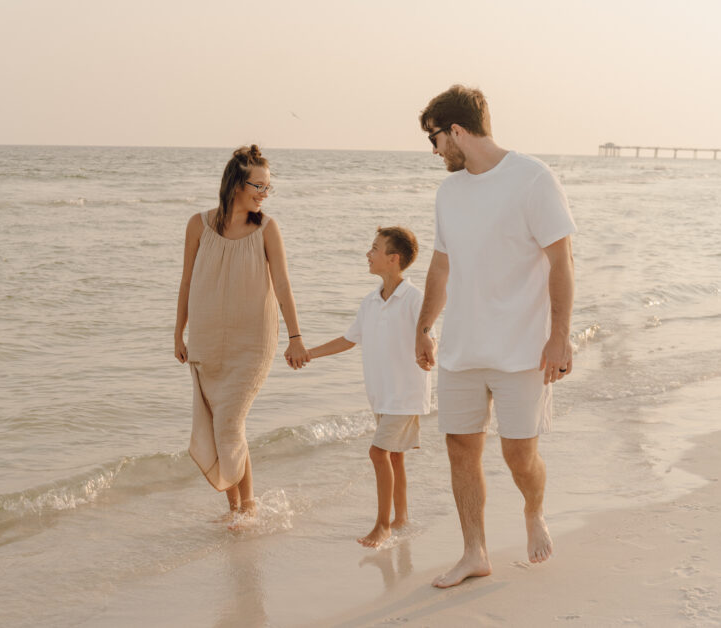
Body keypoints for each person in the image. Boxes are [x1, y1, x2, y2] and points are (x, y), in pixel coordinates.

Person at [414, 85, 576, 587]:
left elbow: (560, 260)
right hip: (462, 349)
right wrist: (423, 326)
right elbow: (441, 266)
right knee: (461, 447)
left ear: (457, 131)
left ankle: (533, 509)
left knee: (517, 455)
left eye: (435, 139)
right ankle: (474, 552)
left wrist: (560, 335)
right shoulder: (449, 192)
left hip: (521, 348)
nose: (435, 150)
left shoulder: (531, 179)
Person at [174, 144, 309, 525]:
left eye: (269, 188)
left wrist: (295, 337)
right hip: (206, 341)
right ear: (236, 184)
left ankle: (247, 508)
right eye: (259, 186)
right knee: (222, 425)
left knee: (229, 423)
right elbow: (185, 281)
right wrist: (177, 333)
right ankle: (236, 509)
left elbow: (282, 283)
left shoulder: (266, 229)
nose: (265, 194)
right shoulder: (197, 225)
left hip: (252, 344)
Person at [307, 227, 432, 548]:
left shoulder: (415, 299)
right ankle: (401, 517)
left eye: (374, 249)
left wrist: (428, 352)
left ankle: (382, 526)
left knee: (379, 453)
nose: (368, 253)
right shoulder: (370, 302)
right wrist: (310, 354)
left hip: (405, 393)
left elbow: (431, 334)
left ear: (394, 259)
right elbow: (349, 339)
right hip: (381, 394)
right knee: (394, 458)